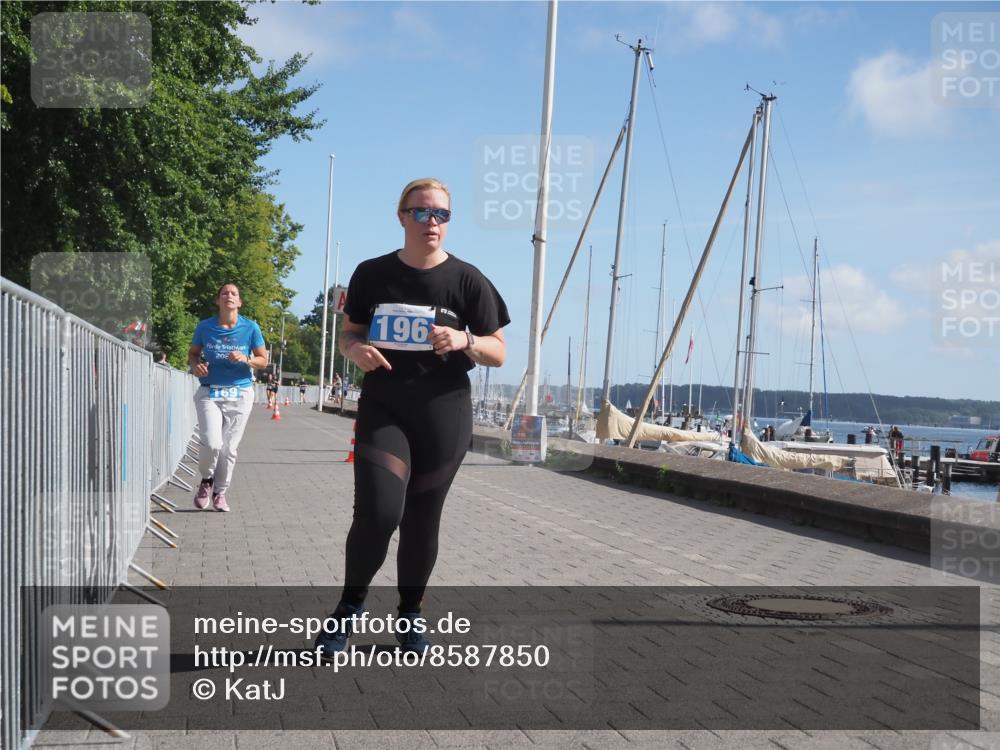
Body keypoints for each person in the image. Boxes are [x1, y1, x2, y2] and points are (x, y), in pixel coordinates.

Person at [314, 178, 509, 656]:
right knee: (380, 513)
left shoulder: (468, 280)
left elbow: (499, 351)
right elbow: (349, 335)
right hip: (386, 406)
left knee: (423, 519)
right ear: (401, 217)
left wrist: (465, 340)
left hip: (444, 413)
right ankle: (349, 607)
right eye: (422, 213)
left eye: (441, 214)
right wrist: (356, 350)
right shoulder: (371, 274)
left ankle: (409, 615)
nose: (432, 223)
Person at [187, 283, 267, 512]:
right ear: (218, 300)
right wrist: (196, 366)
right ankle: (206, 480)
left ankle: (220, 492)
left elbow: (263, 359)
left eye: (234, 293)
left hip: (240, 393)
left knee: (228, 448)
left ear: (239, 302)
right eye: (224, 293)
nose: (229, 296)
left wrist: (246, 359)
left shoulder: (250, 327)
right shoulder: (205, 327)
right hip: (210, 391)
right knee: (212, 443)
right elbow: (193, 353)